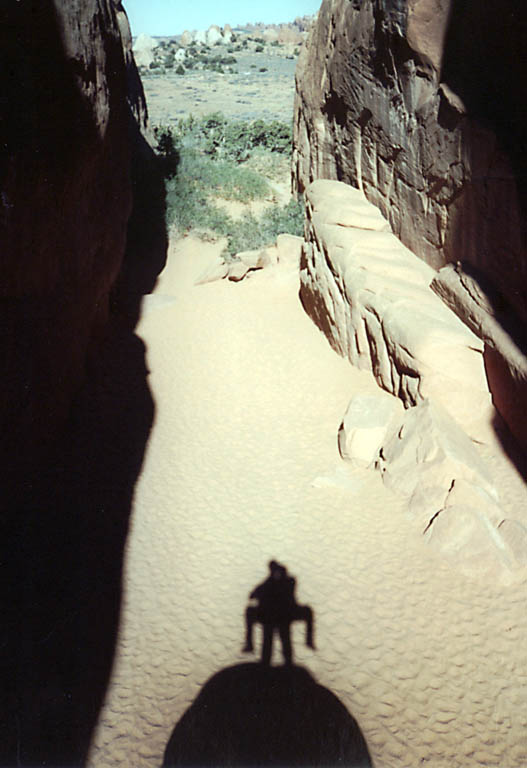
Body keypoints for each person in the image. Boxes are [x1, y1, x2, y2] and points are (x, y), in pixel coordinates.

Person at [242, 560, 315, 665]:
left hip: (282, 615)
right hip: (271, 616)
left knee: (283, 642)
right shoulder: (269, 583)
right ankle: (250, 645)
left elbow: (255, 594)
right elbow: (252, 595)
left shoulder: (288, 581)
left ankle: (308, 641)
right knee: (270, 642)